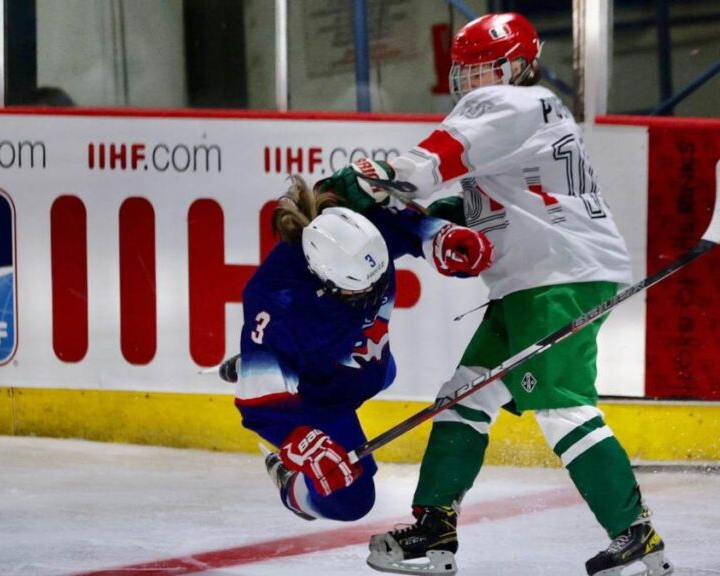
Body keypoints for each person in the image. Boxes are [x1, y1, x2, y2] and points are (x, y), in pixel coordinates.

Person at [350, 12, 672, 576]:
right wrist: (428, 219)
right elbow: (493, 200)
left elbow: (432, 162)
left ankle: (635, 534)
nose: (472, 83)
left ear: (519, 66)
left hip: (557, 279)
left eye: (485, 70)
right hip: (536, 280)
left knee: (560, 407)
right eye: (466, 72)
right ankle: (434, 530)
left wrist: (384, 176)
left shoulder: (514, 104)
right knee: (464, 395)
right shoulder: (528, 114)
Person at [218, 174, 494, 523]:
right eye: (359, 292)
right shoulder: (277, 305)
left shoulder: (359, 231)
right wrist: (302, 444)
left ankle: (262, 361)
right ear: (324, 281)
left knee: (382, 374)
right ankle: (288, 480)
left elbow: (408, 227)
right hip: (318, 396)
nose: (375, 294)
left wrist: (439, 237)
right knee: (351, 499)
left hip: (360, 367)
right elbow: (259, 406)